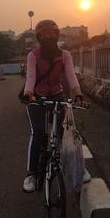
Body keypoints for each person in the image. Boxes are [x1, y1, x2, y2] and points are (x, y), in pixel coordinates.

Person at [22, 19, 90, 193]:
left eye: (52, 35)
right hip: (36, 96)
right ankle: (30, 174)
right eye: (44, 36)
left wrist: (78, 93)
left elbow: (71, 76)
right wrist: (28, 94)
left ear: (57, 36)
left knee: (66, 131)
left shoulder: (65, 55)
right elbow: (30, 77)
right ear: (39, 38)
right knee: (37, 133)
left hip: (57, 94)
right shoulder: (33, 56)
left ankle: (77, 168)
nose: (48, 38)